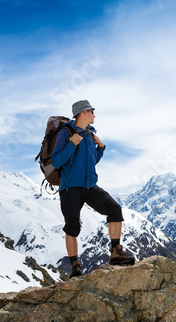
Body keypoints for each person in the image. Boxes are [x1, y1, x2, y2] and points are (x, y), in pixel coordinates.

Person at [51, 99, 135, 278]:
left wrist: (101, 149)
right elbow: (56, 161)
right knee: (72, 226)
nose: (94, 114)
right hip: (70, 188)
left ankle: (115, 253)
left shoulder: (90, 134)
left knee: (114, 209)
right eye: (92, 111)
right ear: (84, 113)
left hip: (90, 186)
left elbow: (90, 163)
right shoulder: (65, 134)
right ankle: (75, 266)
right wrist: (72, 144)